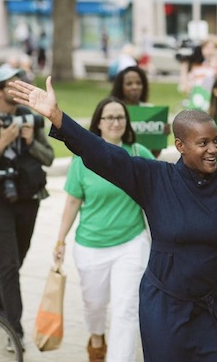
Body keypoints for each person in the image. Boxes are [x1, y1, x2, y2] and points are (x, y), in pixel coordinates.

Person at [9, 76, 217, 361]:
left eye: (215, 141)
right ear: (180, 145)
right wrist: (57, 116)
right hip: (164, 308)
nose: (213, 149)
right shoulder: (155, 180)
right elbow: (103, 155)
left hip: (214, 308)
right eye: (203, 143)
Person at [54, 97, 152, 362]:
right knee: (94, 305)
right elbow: (73, 200)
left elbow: (156, 196)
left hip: (131, 244)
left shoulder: (138, 153)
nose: (116, 122)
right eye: (110, 117)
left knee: (126, 311)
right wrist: (60, 239)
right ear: (98, 122)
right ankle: (96, 336)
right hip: (90, 245)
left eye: (120, 117)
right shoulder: (83, 159)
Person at [0, 65, 54, 349]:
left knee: (17, 258)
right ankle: (13, 328)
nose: (18, 89)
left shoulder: (31, 118)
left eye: (20, 84)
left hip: (28, 198)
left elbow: (50, 157)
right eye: (11, 85)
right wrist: (0, 144)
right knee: (9, 265)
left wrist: (29, 142)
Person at [110, 66, 171, 158]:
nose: (135, 87)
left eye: (138, 83)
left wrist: (160, 137)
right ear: (120, 87)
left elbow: (153, 156)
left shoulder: (151, 111)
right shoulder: (112, 111)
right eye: (129, 84)